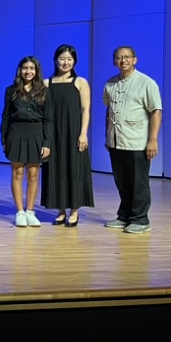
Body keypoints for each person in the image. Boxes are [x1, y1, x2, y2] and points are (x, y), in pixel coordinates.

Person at [103, 46, 162, 234]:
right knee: (122, 182)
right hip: (116, 141)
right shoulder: (110, 83)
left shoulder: (147, 83)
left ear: (135, 60)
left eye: (127, 57)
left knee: (139, 183)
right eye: (119, 58)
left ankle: (140, 219)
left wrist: (153, 140)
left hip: (137, 142)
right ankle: (124, 216)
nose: (123, 61)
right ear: (114, 62)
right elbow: (109, 110)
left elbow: (156, 111)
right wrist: (107, 136)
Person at [42, 44, 94, 227]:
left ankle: (74, 210)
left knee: (74, 169)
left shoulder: (80, 82)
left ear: (74, 61)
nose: (65, 62)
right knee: (55, 169)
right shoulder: (46, 83)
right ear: (56, 60)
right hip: (53, 133)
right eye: (62, 59)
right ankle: (61, 210)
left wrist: (83, 134)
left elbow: (86, 109)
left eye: (69, 59)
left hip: (73, 132)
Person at [1, 56, 53, 227]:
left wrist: (47, 142)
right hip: (16, 133)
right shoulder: (11, 90)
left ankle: (30, 211)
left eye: (32, 68)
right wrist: (4, 139)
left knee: (33, 174)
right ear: (20, 70)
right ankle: (20, 212)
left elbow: (48, 119)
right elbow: (6, 116)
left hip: (36, 133)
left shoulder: (44, 92)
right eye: (25, 68)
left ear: (36, 71)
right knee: (17, 173)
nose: (28, 71)